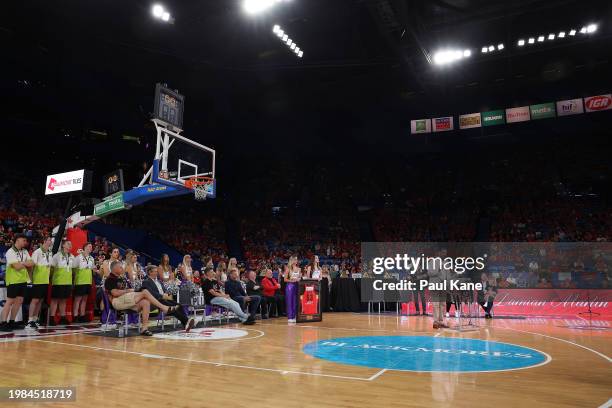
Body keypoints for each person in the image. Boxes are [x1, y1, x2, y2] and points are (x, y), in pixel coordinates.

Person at [104, 261, 177, 336]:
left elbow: (130, 289)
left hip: (127, 299)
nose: (122, 268)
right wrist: (128, 290)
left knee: (145, 302)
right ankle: (164, 308)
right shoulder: (110, 279)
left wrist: (132, 290)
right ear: (114, 268)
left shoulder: (122, 278)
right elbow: (115, 293)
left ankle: (144, 329)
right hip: (117, 301)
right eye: (120, 267)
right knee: (145, 291)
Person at [141, 265, 195, 332]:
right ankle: (187, 321)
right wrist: (161, 296)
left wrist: (166, 294)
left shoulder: (159, 281)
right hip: (155, 301)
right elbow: (149, 293)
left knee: (179, 305)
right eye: (155, 271)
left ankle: (185, 324)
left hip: (164, 299)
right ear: (150, 272)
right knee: (172, 308)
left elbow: (164, 290)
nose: (156, 273)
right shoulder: (146, 281)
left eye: (157, 271)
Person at [0, 234, 34, 332]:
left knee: (19, 301)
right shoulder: (10, 252)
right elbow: (17, 267)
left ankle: (11, 322)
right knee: (9, 302)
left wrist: (22, 263)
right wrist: (25, 263)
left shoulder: (25, 251)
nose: (25, 242)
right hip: (13, 280)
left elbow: (32, 263)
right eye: (23, 240)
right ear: (17, 240)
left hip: (23, 280)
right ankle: (3, 323)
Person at [26, 236, 52, 330]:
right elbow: (31, 266)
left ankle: (35, 319)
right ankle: (30, 321)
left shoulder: (50, 252)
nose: (51, 241)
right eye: (49, 240)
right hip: (38, 280)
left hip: (45, 280)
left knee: (40, 301)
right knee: (35, 300)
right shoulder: (37, 252)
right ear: (44, 241)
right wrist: (30, 279)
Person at [49, 240, 75, 326]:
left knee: (64, 300)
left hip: (67, 282)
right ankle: (52, 317)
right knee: (55, 300)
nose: (70, 245)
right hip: (58, 282)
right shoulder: (57, 256)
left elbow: (73, 270)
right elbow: (51, 269)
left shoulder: (72, 256)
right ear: (63, 245)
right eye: (68, 243)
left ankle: (63, 317)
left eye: (71, 244)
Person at [72, 242, 96, 323]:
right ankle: (75, 316)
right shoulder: (78, 257)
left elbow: (93, 269)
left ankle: (82, 315)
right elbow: (73, 268)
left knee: (84, 299)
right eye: (89, 246)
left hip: (88, 281)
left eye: (91, 247)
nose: (91, 248)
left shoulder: (91, 258)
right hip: (79, 281)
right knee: (78, 299)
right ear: (85, 247)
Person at [428, 250, 451, 329]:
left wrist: (449, 282)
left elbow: (448, 274)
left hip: (443, 285)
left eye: (445, 253)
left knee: (443, 304)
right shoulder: (432, 261)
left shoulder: (446, 262)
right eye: (443, 252)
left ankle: (441, 321)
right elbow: (430, 273)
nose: (444, 254)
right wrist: (438, 270)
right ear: (438, 253)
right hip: (435, 285)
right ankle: (436, 322)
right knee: (436, 304)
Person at [285, 256, 301, 323]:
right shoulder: (288, 269)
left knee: (295, 301)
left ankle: (294, 316)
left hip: (297, 286)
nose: (296, 261)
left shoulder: (299, 269)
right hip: (290, 286)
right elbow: (285, 279)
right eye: (295, 259)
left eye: (297, 259)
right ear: (292, 260)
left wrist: (299, 278)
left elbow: (299, 277)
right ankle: (290, 317)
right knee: (290, 301)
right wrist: (292, 281)